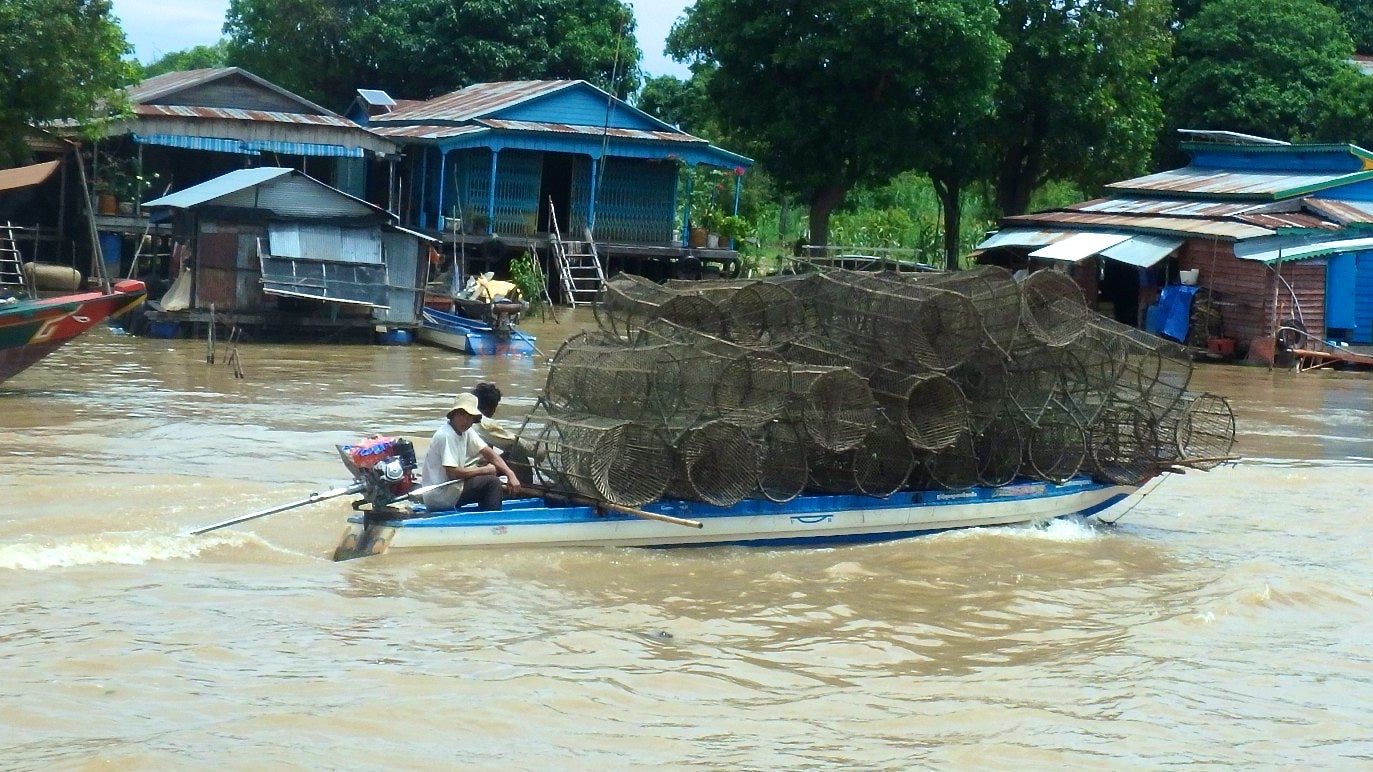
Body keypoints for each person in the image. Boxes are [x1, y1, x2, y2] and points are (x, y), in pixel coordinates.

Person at [421, 392, 522, 511]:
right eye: (462, 415)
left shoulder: (466, 432)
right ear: (453, 415)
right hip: (441, 495)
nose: (466, 420)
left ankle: (485, 511)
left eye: (470, 417)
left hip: (452, 488)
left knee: (499, 466)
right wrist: (484, 470)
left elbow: (489, 453)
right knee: (492, 483)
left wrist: (510, 474)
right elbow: (453, 473)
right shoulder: (447, 435)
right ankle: (490, 522)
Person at [471, 381, 535, 482]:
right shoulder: (485, 423)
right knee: (516, 452)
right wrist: (536, 451)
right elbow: (512, 441)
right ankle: (526, 486)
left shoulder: (465, 417)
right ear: (490, 407)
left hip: (471, 465)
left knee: (505, 454)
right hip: (475, 469)